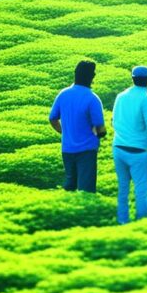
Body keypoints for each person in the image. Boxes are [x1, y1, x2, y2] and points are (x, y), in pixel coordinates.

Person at [49, 60, 106, 193]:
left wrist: (65, 132)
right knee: (86, 190)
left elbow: (52, 119)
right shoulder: (93, 99)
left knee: (70, 186)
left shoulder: (63, 94)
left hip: (67, 149)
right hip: (87, 150)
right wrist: (99, 134)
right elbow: (100, 129)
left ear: (76, 74)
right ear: (92, 77)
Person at [111, 66, 147, 225]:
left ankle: (122, 223)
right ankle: (141, 225)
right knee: (141, 191)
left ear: (133, 78)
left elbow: (113, 122)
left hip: (119, 148)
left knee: (123, 189)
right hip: (138, 152)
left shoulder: (120, 96)